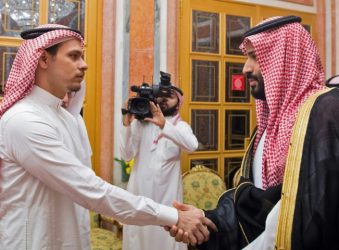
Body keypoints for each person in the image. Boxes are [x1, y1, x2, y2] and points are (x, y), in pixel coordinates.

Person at [0, 24, 209, 249]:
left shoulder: (66, 118)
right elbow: (91, 189)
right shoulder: (24, 120)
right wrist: (175, 217)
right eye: (74, 56)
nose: (84, 64)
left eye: (82, 56)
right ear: (42, 59)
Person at [168, 15, 339, 250]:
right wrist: (210, 220)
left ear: (286, 59)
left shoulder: (329, 112)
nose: (245, 68)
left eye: (255, 57)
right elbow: (254, 203)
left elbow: (314, 214)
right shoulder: (268, 127)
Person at [119, 85, 199, 250]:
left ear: (178, 103)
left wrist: (164, 125)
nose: (163, 99)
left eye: (169, 96)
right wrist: (126, 125)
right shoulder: (141, 124)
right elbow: (126, 155)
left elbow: (192, 146)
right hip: (140, 197)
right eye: (160, 96)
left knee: (166, 242)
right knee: (138, 241)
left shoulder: (181, 127)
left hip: (167, 201)